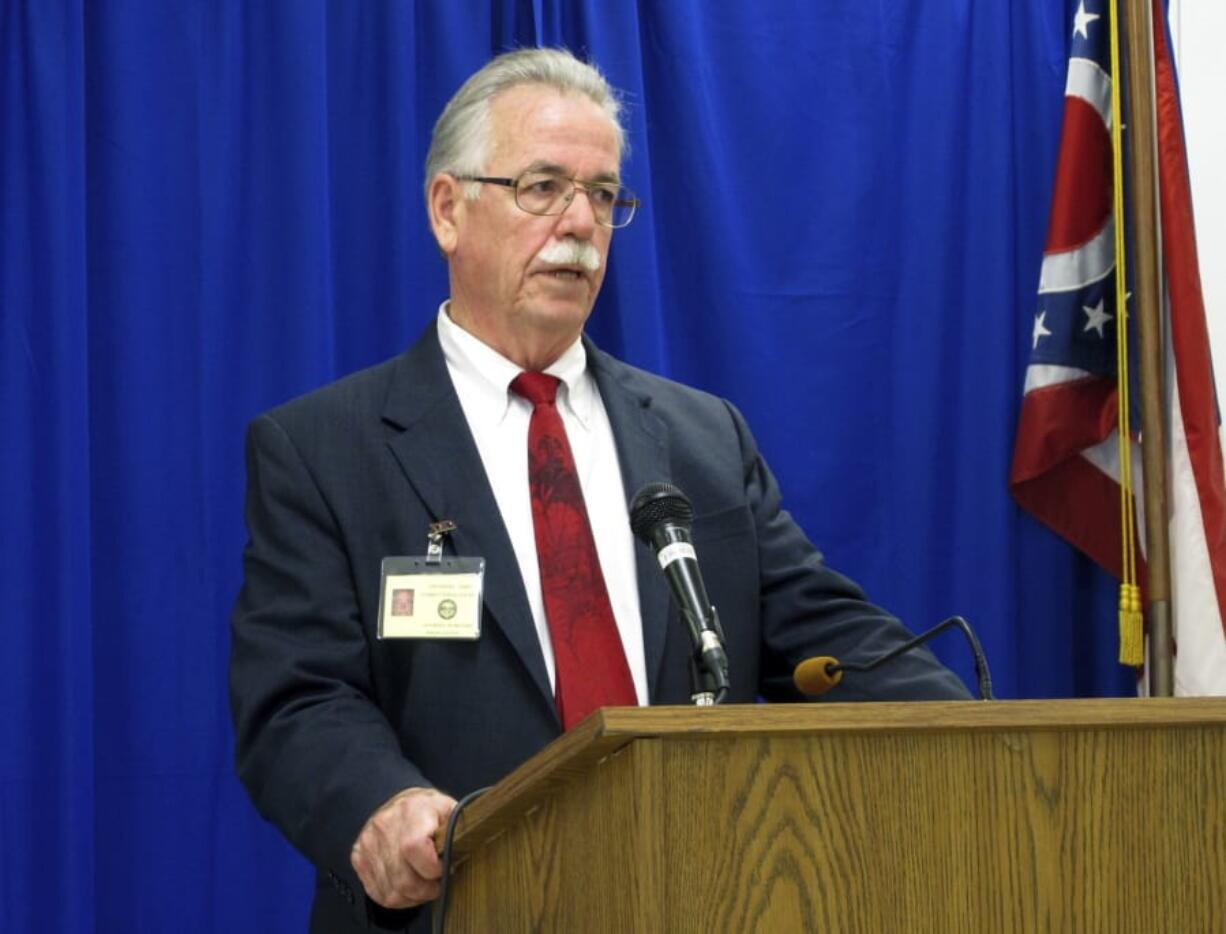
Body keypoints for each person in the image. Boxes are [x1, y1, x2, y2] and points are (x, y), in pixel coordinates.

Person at [229, 47, 970, 933]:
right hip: (460, 907)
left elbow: (833, 644)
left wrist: (988, 746)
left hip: (696, 900)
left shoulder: (700, 438)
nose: (580, 224)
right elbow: (299, 696)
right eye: (542, 186)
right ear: (447, 210)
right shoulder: (325, 449)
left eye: (603, 195)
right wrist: (377, 806)